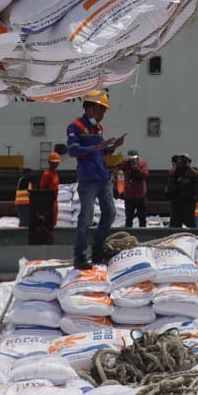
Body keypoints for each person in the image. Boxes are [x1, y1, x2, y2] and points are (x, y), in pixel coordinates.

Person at [68, 89, 125, 270]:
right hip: (88, 180)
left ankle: (98, 249)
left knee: (110, 213)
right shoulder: (75, 126)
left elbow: (102, 151)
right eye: (101, 111)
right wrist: (96, 147)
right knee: (86, 218)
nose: (102, 116)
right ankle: (80, 255)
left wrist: (112, 147)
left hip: (103, 178)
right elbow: (73, 150)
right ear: (90, 108)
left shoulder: (98, 128)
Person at [30, 153, 61, 244]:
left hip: (54, 201)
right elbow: (43, 189)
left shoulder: (55, 174)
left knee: (53, 222)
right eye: (53, 162)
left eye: (56, 162)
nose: (55, 164)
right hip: (49, 202)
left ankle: (51, 240)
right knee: (48, 223)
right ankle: (48, 241)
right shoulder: (47, 174)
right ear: (49, 162)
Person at [168, 154, 198, 228]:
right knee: (175, 223)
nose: (182, 163)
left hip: (189, 202)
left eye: (184, 161)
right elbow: (170, 173)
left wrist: (188, 166)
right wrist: (176, 165)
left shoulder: (192, 170)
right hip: (177, 202)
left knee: (190, 222)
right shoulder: (176, 170)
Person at [120, 149, 150, 228]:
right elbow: (117, 167)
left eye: (134, 158)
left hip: (140, 195)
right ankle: (128, 233)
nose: (133, 160)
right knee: (129, 217)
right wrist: (125, 162)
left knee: (142, 217)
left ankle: (143, 233)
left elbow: (145, 174)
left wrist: (137, 169)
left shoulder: (142, 164)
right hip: (129, 195)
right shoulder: (126, 165)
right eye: (131, 158)